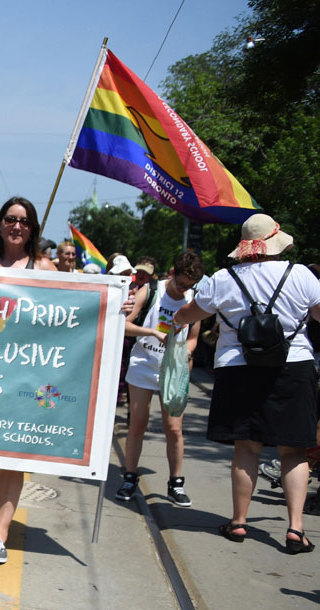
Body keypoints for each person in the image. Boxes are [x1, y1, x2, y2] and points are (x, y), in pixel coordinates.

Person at [174, 214, 320, 554]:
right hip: (292, 367)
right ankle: (296, 528)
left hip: (237, 368)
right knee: (294, 450)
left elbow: (191, 314)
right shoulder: (299, 274)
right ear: (275, 244)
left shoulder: (223, 279)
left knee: (247, 447)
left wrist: (178, 321)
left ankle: (238, 522)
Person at [0, 197, 56, 564]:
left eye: (24, 220)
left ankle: (0, 534)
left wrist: (117, 305)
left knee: (11, 453)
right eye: (10, 219)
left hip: (27, 375)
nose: (17, 226)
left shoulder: (47, 268)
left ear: (33, 227)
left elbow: (78, 312)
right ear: (0, 224)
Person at [115, 251, 204, 506]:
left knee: (174, 428)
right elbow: (125, 324)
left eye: (189, 286)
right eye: (181, 283)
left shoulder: (193, 299)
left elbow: (194, 337)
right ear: (172, 273)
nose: (183, 290)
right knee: (138, 424)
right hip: (144, 365)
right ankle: (130, 476)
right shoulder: (151, 291)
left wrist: (186, 350)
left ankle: (175, 483)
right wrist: (152, 332)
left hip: (173, 370)